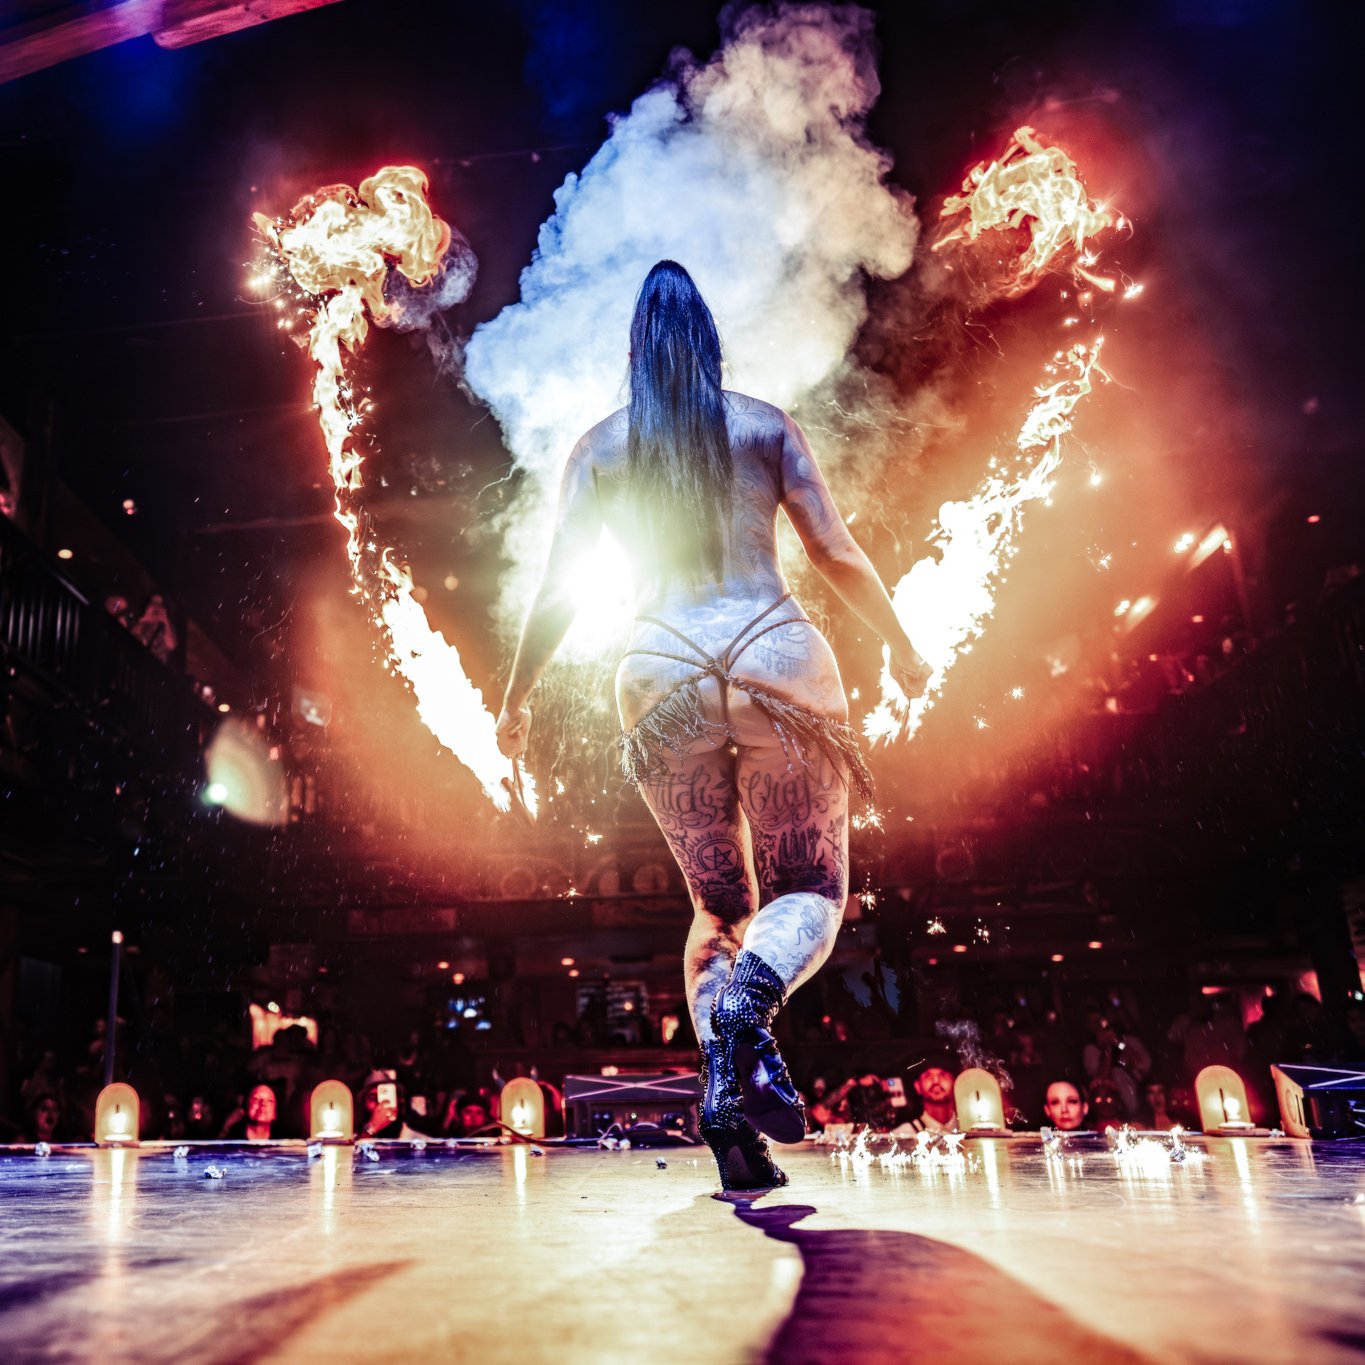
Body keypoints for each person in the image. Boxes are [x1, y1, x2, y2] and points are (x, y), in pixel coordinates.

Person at [496, 261, 929, 1189]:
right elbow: (835, 551)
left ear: (634, 350)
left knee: (718, 908)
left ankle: (730, 1101)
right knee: (809, 886)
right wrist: (901, 644)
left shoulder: (602, 448)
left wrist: (514, 698)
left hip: (658, 674)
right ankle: (750, 1013)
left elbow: (554, 594)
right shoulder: (762, 425)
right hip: (776, 651)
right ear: (708, 339)